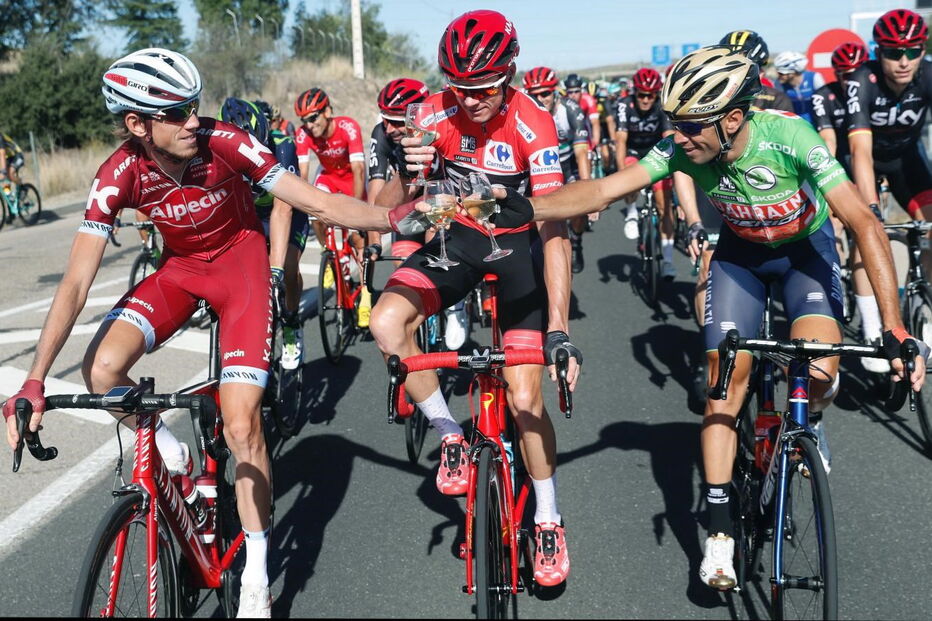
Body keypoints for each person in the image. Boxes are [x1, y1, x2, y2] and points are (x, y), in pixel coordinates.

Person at [1, 47, 432, 617]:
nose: (192, 121)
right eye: (176, 113)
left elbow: (314, 201)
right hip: (181, 272)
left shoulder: (224, 141)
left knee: (241, 424)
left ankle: (255, 572)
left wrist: (394, 218)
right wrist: (34, 380)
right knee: (101, 370)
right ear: (137, 124)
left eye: (194, 106)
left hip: (240, 268)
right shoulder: (117, 174)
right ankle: (172, 452)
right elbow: (77, 281)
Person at [490, 45, 928, 591]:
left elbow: (864, 221)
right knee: (725, 381)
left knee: (820, 370)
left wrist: (893, 328)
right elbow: (602, 188)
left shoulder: (789, 136)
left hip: (804, 257)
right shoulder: (682, 147)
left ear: (734, 118)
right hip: (739, 259)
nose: (680, 137)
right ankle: (720, 530)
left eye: (692, 125)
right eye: (675, 124)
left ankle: (808, 421)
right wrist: (529, 207)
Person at [368, 9, 581, 588]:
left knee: (525, 396)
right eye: (461, 87)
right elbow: (389, 210)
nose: (472, 99)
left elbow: (554, 229)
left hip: (518, 252)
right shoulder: (429, 113)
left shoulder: (534, 123)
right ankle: (450, 434)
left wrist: (559, 328)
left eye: (485, 87)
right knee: (386, 324)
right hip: (456, 244)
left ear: (509, 73)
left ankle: (547, 517)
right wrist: (407, 172)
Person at [844, 8, 932, 373]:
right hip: (865, 161)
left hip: (906, 162)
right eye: (894, 52)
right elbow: (860, 152)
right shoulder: (861, 80)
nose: (904, 61)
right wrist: (870, 210)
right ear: (879, 52)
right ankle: (872, 329)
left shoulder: (928, 75)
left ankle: (926, 310)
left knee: (930, 228)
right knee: (868, 233)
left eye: (913, 51)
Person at [219, 97, 308, 369]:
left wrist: (277, 268)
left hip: (287, 211)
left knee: (288, 266)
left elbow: (283, 209)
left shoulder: (283, 146)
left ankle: (291, 322)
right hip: (253, 216)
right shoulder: (217, 151)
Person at [614, 67, 699, 281]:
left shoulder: (663, 105)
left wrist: (674, 169)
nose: (645, 100)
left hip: (656, 151)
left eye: (650, 95)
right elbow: (621, 140)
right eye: (641, 95)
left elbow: (670, 138)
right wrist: (620, 176)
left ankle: (668, 261)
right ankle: (631, 212)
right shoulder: (624, 105)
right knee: (628, 174)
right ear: (635, 93)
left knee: (664, 207)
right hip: (633, 151)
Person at [563, 72, 601, 272]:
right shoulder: (561, 107)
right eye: (570, 92)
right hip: (563, 153)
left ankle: (576, 240)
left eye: (576, 91)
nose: (573, 95)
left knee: (580, 199)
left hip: (583, 142)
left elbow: (594, 124)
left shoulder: (588, 100)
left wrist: (594, 145)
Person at [719, 30, 794, 113]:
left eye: (745, 69)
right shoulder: (712, 97)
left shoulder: (777, 99)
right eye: (729, 68)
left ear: (761, 73)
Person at [773, 50, 826, 124]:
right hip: (796, 124)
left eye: (781, 73)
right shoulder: (779, 84)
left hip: (817, 121)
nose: (778, 76)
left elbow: (825, 103)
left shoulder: (814, 78)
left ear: (793, 72)